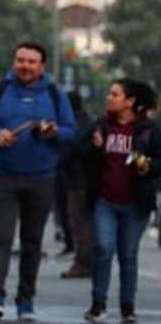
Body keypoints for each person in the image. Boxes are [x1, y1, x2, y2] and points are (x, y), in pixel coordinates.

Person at [0, 42, 76, 321]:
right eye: (20, 60)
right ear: (14, 61)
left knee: (32, 242)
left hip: (42, 178)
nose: (25, 66)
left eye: (31, 61)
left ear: (42, 66)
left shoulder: (54, 93)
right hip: (3, 176)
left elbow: (71, 131)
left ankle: (26, 300)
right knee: (1, 239)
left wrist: (52, 131)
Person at [78, 79, 161, 323]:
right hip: (105, 200)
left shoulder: (148, 129)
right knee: (103, 248)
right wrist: (94, 147)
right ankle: (98, 304)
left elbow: (159, 162)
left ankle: (127, 306)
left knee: (128, 253)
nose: (109, 98)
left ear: (130, 101)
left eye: (115, 94)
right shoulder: (101, 125)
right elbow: (77, 154)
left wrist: (147, 165)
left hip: (136, 202)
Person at [57, 91, 95, 277]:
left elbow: (70, 148)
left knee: (79, 222)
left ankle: (84, 261)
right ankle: (86, 260)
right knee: (83, 221)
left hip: (77, 178)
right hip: (84, 177)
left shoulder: (72, 122)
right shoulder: (86, 119)